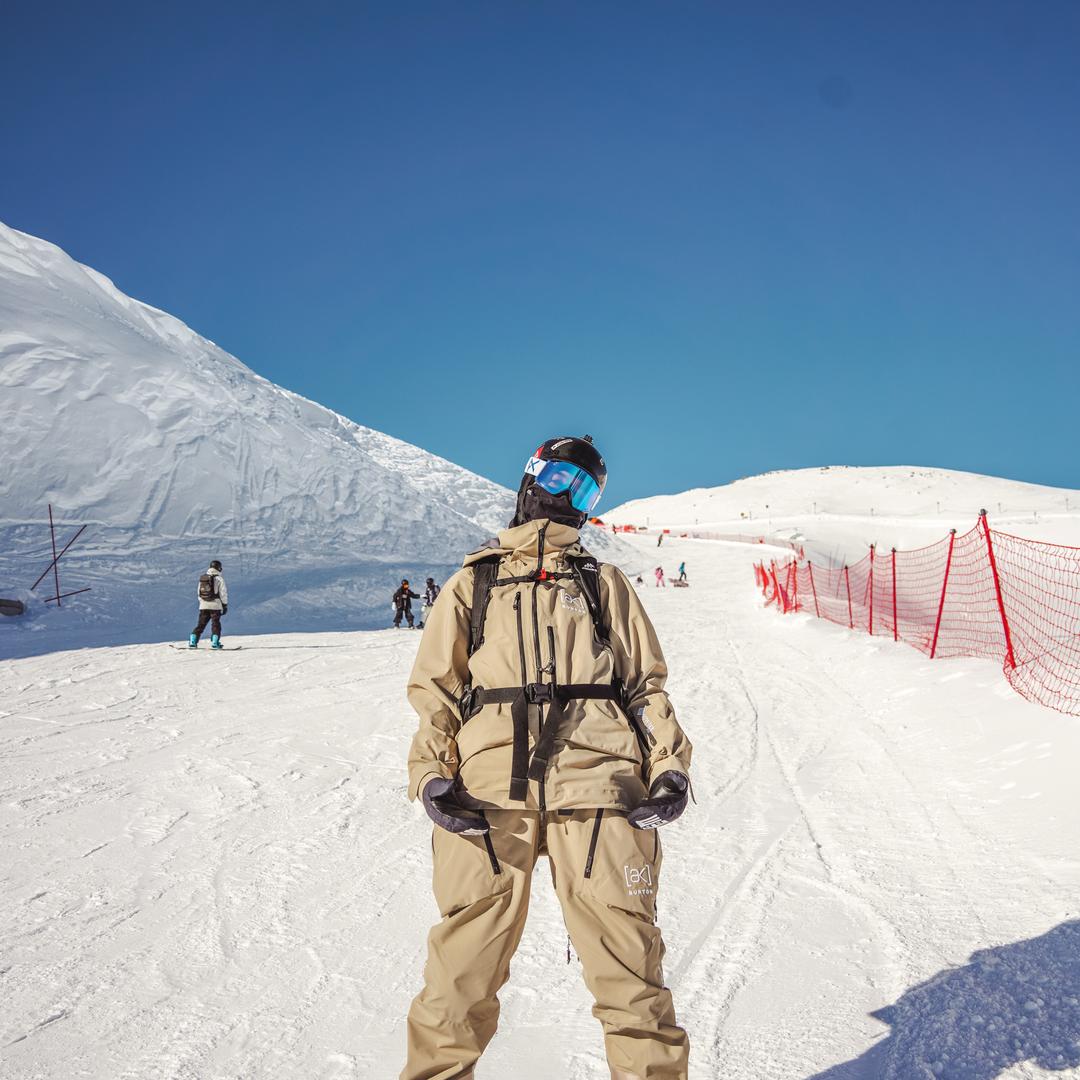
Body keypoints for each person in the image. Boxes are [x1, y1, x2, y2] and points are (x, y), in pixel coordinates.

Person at [402, 435, 693, 1080]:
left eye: (586, 488)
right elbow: (436, 696)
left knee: (631, 974)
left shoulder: (603, 584)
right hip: (487, 793)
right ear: (533, 476)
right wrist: (430, 777)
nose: (568, 495)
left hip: (599, 784)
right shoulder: (473, 584)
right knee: (459, 975)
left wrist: (668, 765)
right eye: (561, 476)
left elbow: (644, 685)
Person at [189, 560, 227, 649]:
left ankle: (193, 641)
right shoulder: (219, 579)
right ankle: (215, 643)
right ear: (219, 568)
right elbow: (223, 593)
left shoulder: (203, 578)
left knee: (201, 624)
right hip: (215, 605)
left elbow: (199, 593)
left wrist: (202, 602)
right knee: (215, 624)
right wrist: (224, 605)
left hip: (203, 605)